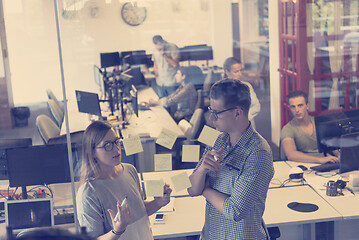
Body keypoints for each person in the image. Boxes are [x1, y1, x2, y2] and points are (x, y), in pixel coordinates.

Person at [187, 79, 274, 240]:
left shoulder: (258, 152)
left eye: (217, 113)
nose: (211, 117)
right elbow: (191, 189)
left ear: (237, 113)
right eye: (210, 110)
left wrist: (205, 190)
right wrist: (201, 170)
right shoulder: (217, 139)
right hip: (211, 235)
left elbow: (235, 211)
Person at [76, 121, 172, 239]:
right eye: (107, 145)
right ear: (92, 152)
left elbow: (138, 211)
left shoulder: (130, 170)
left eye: (117, 141)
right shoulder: (88, 192)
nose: (116, 149)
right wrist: (117, 231)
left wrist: (157, 203)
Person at [281, 90, 340, 163]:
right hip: (304, 164)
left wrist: (339, 154)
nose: (297, 110)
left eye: (300, 105)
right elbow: (291, 155)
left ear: (307, 106)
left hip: (326, 162)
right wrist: (320, 160)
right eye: (293, 107)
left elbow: (330, 144)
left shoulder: (319, 122)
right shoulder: (287, 128)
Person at [223, 57, 261, 122]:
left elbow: (257, 106)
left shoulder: (247, 86)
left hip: (247, 122)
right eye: (236, 71)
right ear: (227, 72)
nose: (240, 74)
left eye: (241, 70)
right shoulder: (222, 89)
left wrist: (244, 117)